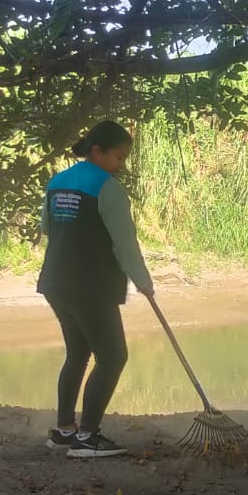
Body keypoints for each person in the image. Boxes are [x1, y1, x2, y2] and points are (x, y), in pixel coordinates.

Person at [37, 120, 155, 458]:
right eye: (118, 157)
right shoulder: (108, 188)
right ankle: (87, 438)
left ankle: (64, 431)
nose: (121, 165)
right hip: (90, 286)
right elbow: (124, 244)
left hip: (56, 281)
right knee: (113, 356)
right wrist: (143, 281)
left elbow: (47, 228)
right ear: (97, 151)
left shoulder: (57, 182)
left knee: (78, 352)